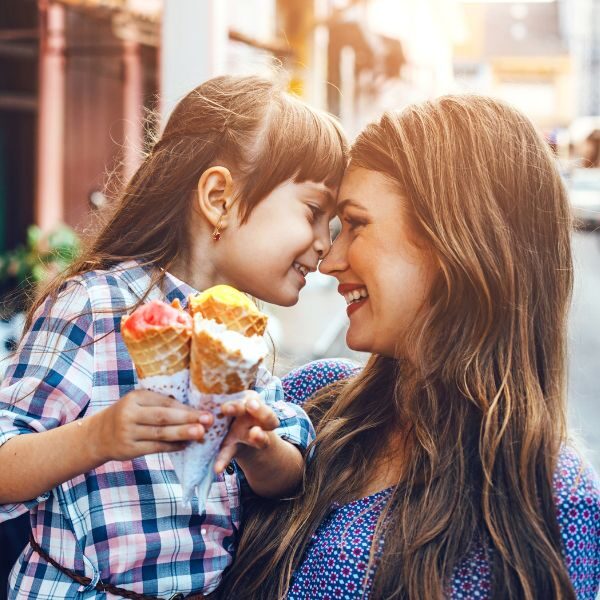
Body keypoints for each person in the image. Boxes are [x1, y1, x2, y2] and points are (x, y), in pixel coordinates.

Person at [219, 96, 600, 599]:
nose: (328, 260)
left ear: (455, 241)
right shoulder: (310, 401)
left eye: (355, 224)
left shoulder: (553, 498)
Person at [0, 74, 346, 599]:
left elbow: (292, 474)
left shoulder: (242, 331)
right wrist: (96, 438)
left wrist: (259, 446)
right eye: (314, 213)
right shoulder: (95, 307)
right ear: (218, 197)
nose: (325, 244)